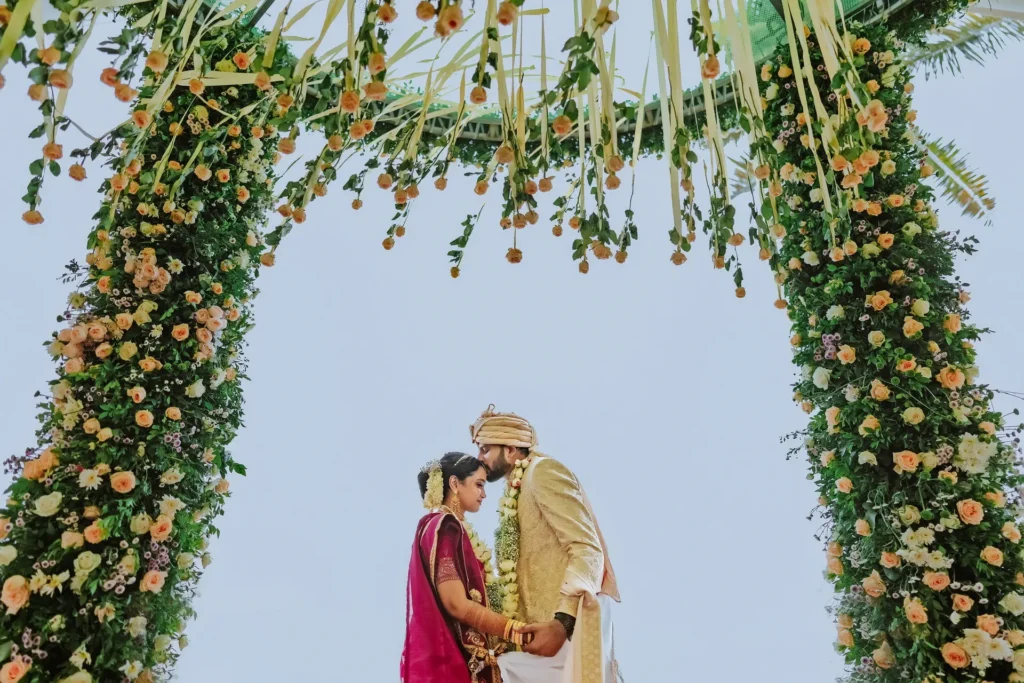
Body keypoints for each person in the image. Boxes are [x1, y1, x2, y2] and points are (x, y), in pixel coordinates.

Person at [471, 406, 622, 683]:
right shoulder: (516, 488)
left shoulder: (543, 472)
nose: (479, 459)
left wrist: (561, 624)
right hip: (541, 642)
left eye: (485, 450)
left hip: (567, 634)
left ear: (511, 449)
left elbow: (587, 549)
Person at [401, 452, 534, 683]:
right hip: (460, 663)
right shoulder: (445, 526)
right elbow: (455, 603)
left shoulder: (434, 526)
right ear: (454, 483)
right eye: (479, 484)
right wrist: (515, 630)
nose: (483, 494)